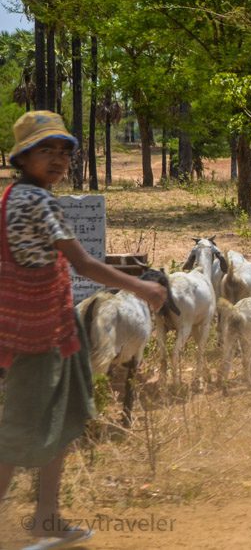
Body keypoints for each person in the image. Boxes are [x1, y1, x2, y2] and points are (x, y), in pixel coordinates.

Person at [0, 111, 167, 548]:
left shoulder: (13, 196)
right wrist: (143, 288)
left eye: (64, 151)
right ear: (22, 157)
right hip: (42, 336)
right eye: (45, 150)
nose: (57, 159)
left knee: (67, 419)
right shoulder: (36, 202)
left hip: (52, 327)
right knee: (20, 430)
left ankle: (48, 521)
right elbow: (84, 264)